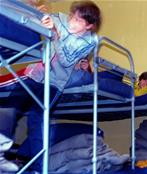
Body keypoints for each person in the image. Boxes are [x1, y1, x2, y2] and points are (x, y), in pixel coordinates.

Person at [0, 0, 101, 171]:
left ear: (89, 26)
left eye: (77, 20)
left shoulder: (89, 42)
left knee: (37, 120)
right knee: (9, 105)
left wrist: (54, 33)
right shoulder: (62, 19)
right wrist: (38, 13)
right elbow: (46, 18)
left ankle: (39, 167)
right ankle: (2, 153)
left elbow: (66, 60)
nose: (71, 21)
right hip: (36, 75)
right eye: (71, 16)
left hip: (54, 83)